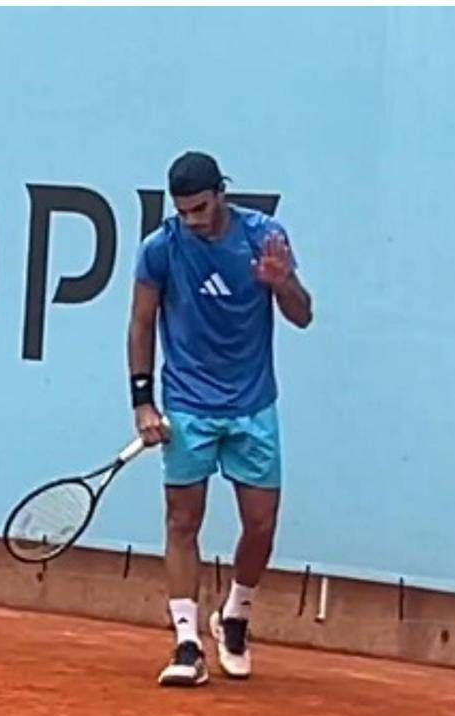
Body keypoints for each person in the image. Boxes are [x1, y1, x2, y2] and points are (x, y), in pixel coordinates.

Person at [126, 151, 312, 687]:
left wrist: (282, 283)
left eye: (201, 208)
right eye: (183, 211)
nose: (193, 220)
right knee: (182, 521)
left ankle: (235, 615)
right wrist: (143, 402)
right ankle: (187, 644)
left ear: (221, 194)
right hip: (188, 404)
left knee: (261, 524)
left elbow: (303, 315)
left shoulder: (264, 237)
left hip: (253, 405)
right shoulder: (160, 249)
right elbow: (141, 324)